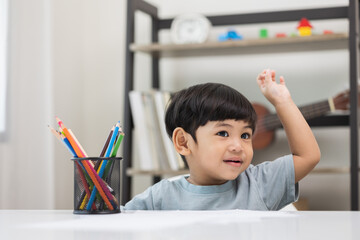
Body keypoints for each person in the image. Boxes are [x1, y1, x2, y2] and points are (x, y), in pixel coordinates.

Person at [122, 69, 320, 211]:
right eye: (223, 133)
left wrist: (282, 101)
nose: (237, 146)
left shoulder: (259, 185)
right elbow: (117, 223)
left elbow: (308, 156)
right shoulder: (160, 198)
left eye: (245, 136)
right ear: (183, 142)